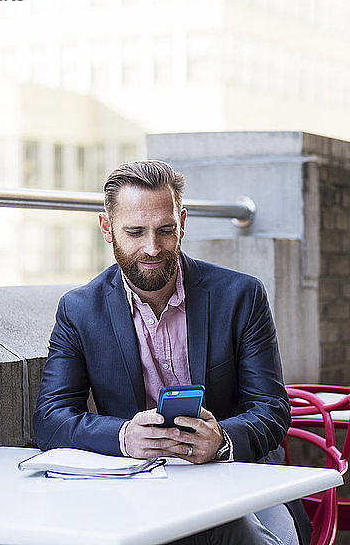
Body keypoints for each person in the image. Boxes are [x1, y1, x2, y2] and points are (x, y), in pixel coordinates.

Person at [33, 160, 311, 545]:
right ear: (107, 229)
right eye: (134, 232)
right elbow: (50, 420)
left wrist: (222, 441)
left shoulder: (241, 296)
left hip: (238, 475)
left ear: (182, 221)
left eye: (165, 230)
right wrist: (125, 436)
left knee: (249, 535)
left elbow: (272, 410)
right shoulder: (80, 310)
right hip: (140, 491)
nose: (152, 248)